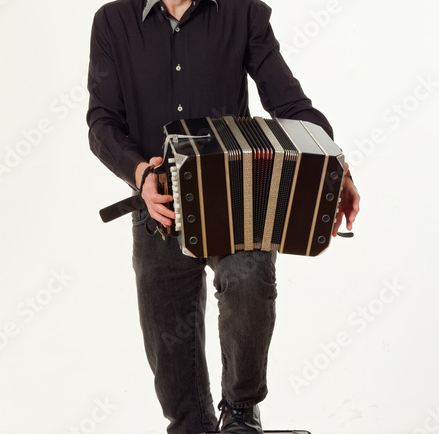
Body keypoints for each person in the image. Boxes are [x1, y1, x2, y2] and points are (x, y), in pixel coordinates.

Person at [86, 0, 360, 433]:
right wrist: (140, 175)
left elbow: (289, 101)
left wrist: (333, 163)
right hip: (159, 206)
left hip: (235, 201)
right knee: (171, 364)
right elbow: (102, 121)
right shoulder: (112, 22)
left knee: (249, 280)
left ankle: (240, 410)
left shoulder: (243, 12)